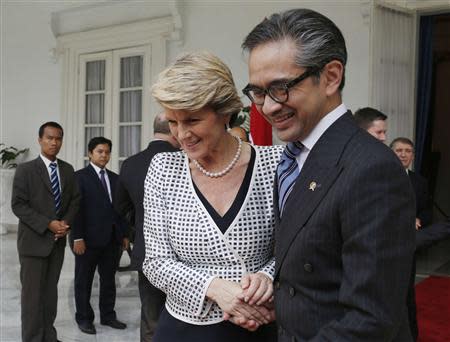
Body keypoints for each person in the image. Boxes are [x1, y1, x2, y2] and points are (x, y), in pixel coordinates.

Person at [242, 8, 415, 341]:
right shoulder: (292, 157)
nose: (268, 107)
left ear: (331, 77)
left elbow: (372, 319)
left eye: (281, 87)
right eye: (259, 92)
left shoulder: (371, 168)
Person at [142, 51, 282, 342]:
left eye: (192, 120)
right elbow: (155, 263)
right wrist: (217, 289)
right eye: (172, 122)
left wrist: (266, 278)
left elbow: (295, 249)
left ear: (224, 112)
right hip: (182, 330)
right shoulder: (163, 169)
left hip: (256, 324)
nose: (181, 135)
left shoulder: (275, 165)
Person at [11, 121, 81, 342]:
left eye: (58, 138)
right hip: (33, 242)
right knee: (32, 297)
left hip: (57, 242)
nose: (54, 142)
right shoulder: (26, 170)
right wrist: (48, 224)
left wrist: (64, 224)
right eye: (49, 138)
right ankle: (32, 338)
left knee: (50, 294)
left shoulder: (67, 170)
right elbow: (18, 205)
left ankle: (49, 336)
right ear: (40, 139)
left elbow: (75, 201)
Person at [114, 113, 180, 341]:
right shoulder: (185, 158)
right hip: (186, 254)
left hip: (147, 250)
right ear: (174, 129)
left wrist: (138, 231)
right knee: (184, 320)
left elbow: (120, 208)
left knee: (151, 317)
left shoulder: (131, 163)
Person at [72, 137, 128, 334]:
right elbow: (75, 210)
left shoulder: (115, 178)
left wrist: (124, 235)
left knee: (108, 281)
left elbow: (120, 210)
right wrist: (77, 237)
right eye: (99, 151)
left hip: (112, 240)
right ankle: (84, 318)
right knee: (83, 282)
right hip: (86, 241)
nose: (104, 155)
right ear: (90, 153)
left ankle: (108, 316)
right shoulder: (79, 177)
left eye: (107, 152)